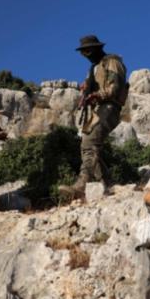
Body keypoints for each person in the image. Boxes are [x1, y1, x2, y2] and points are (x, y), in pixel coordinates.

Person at [59, 35, 128, 200]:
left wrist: (97, 95)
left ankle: (81, 186)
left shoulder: (111, 62)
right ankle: (108, 184)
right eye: (83, 52)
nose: (86, 54)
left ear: (97, 48)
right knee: (87, 146)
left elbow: (115, 87)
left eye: (88, 51)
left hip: (109, 107)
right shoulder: (94, 68)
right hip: (96, 109)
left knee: (90, 144)